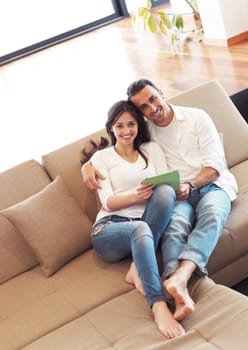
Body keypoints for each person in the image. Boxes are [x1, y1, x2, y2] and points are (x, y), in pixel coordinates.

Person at [81, 79, 238, 322]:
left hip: (209, 184)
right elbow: (117, 149)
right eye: (144, 107)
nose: (152, 108)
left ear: (161, 93)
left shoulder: (196, 118)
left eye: (153, 99)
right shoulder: (146, 133)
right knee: (174, 228)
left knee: (212, 215)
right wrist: (87, 166)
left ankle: (181, 277)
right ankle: (172, 284)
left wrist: (189, 185)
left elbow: (216, 166)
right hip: (175, 195)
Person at [81, 100, 185, 338]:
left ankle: (136, 267)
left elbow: (164, 184)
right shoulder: (101, 158)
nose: (126, 131)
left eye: (131, 124)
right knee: (139, 228)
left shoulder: (152, 150)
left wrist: (173, 189)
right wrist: (134, 196)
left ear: (139, 124)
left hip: (146, 227)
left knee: (166, 192)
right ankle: (158, 305)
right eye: (120, 126)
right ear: (111, 128)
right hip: (110, 229)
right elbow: (107, 201)